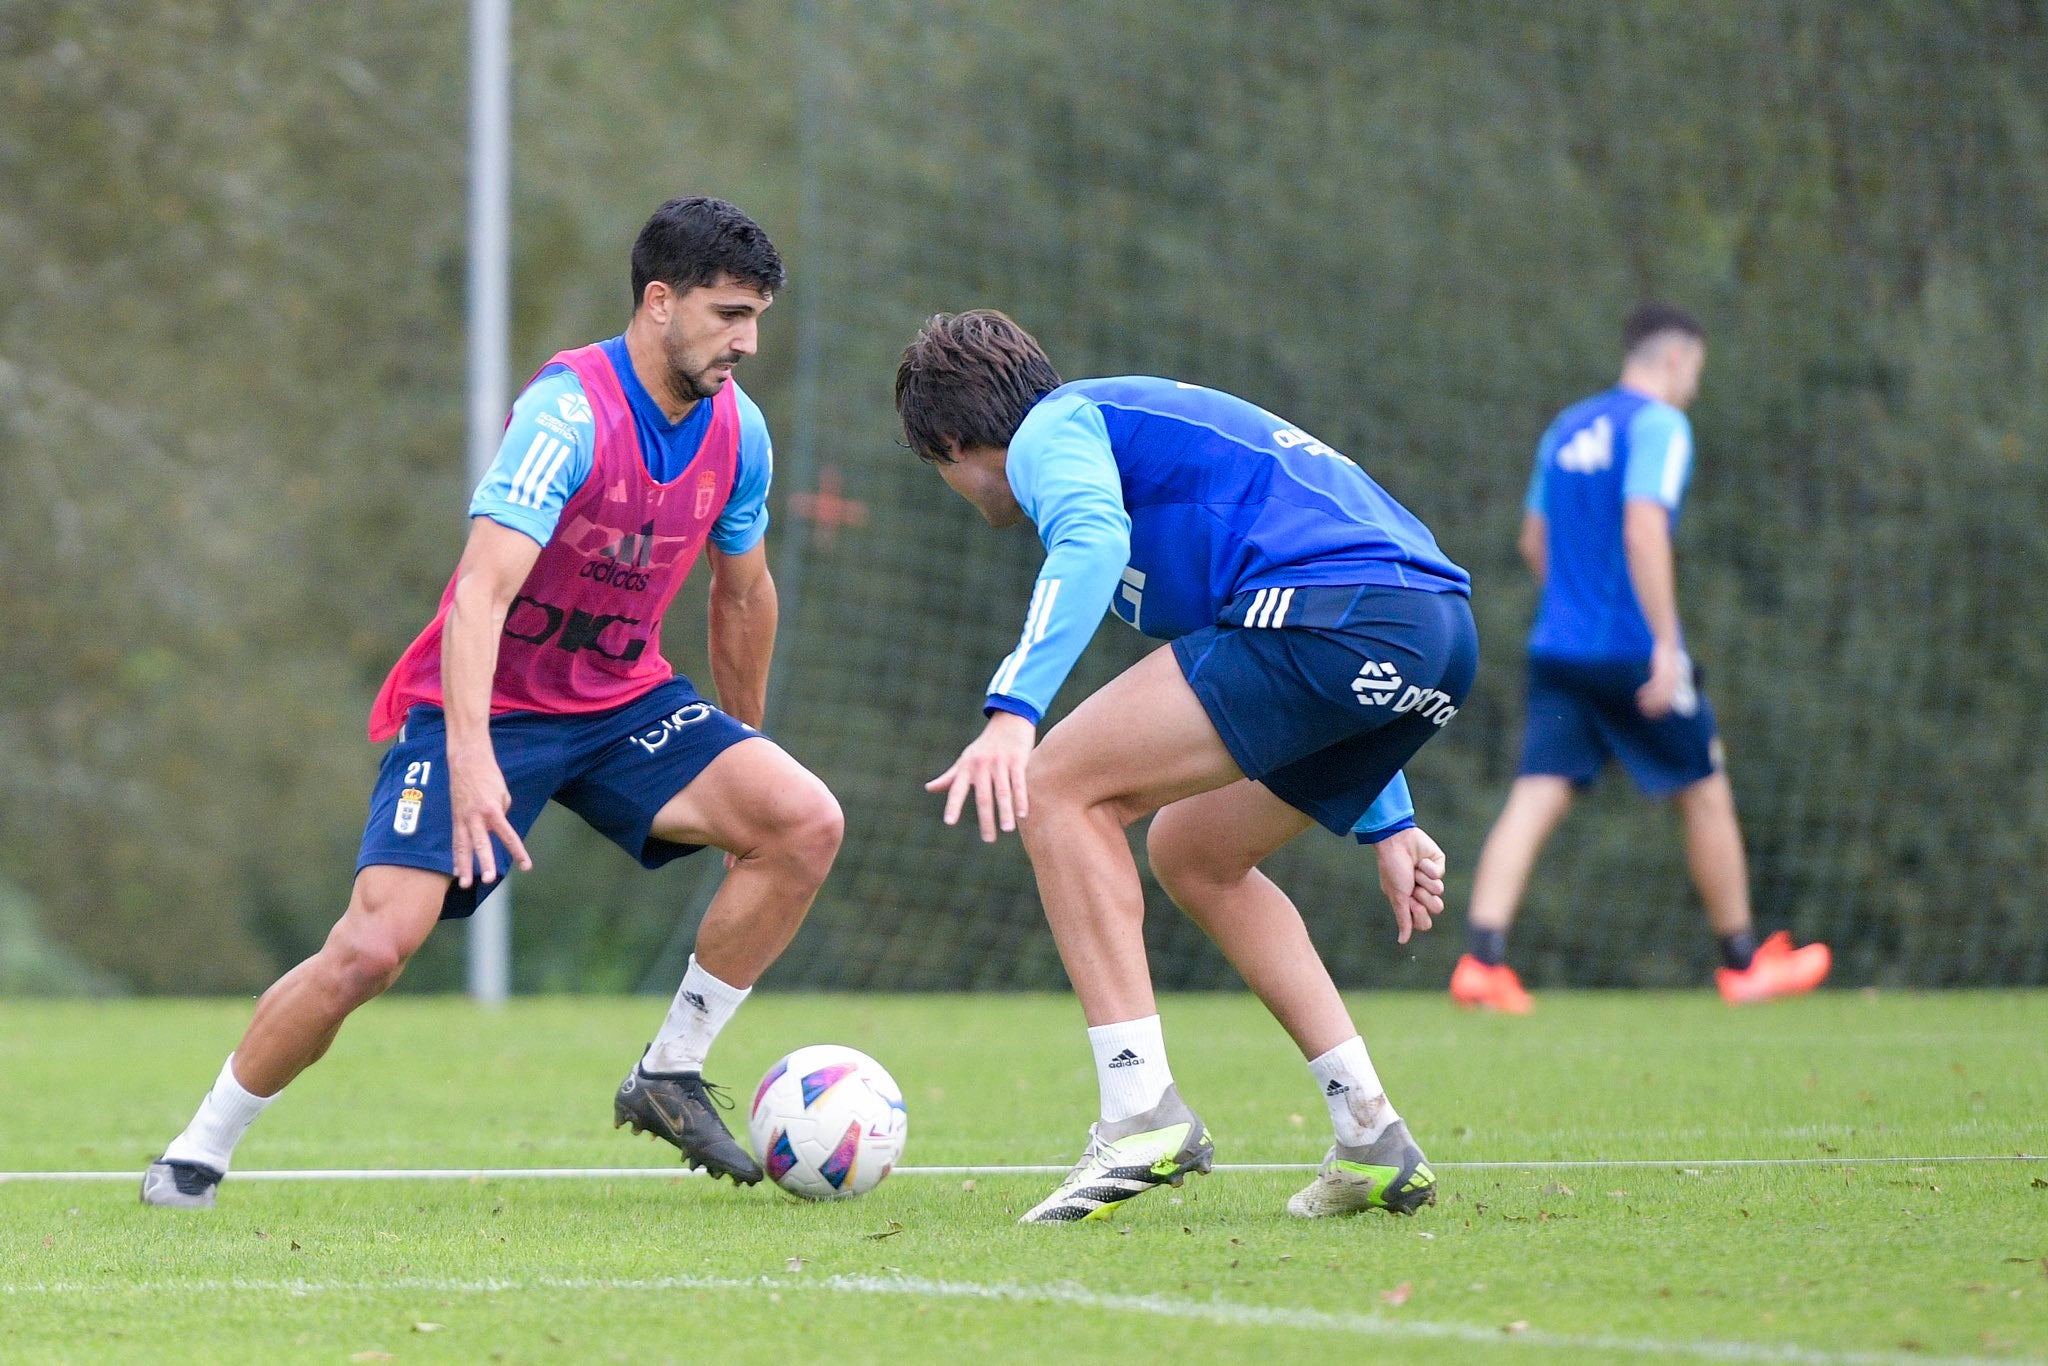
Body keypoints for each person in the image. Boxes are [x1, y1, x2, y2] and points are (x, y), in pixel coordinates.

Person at [142, 197, 843, 1208]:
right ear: (658, 303)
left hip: (621, 701)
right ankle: (196, 1150)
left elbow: (744, 594)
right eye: (729, 313)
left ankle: (669, 1070)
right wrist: (471, 758)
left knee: (803, 820)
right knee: (373, 948)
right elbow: (478, 594)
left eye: (757, 316)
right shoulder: (567, 415)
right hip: (485, 708)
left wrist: (742, 743)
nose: (748, 340)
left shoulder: (741, 432)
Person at [896, 311, 1477, 1224]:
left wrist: (1012, 713)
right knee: (1196, 853)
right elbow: (1333, 601)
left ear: (954, 443)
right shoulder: (1161, 492)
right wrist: (1387, 817)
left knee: (1055, 784)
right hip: (1430, 638)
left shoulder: (1055, 430)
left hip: (1339, 615)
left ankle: (1140, 1116)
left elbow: (1089, 541)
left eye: (942, 471)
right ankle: (1371, 1133)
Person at [1452, 303, 1830, 1015]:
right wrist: (1664, 643)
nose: (1693, 388)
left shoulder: (1566, 427)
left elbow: (1535, 541)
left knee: (1536, 794)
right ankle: (1743, 964)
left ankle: (1481, 961)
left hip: (1558, 645)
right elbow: (1644, 525)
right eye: (1695, 373)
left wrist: (1574, 605)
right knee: (1705, 784)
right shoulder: (1660, 425)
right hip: (1632, 647)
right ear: (1676, 359)